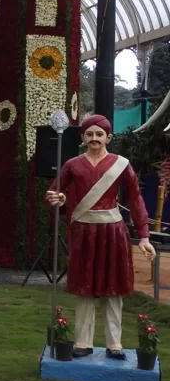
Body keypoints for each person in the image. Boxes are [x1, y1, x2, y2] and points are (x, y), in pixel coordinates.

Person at [45, 114, 156, 359]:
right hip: (84, 232)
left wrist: (145, 237)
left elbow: (136, 198)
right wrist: (58, 199)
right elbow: (54, 192)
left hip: (113, 232)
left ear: (108, 137)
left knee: (113, 288)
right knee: (84, 289)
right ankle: (83, 342)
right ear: (83, 137)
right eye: (90, 134)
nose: (94, 139)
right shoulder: (72, 165)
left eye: (99, 134)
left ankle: (114, 343)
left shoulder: (121, 164)